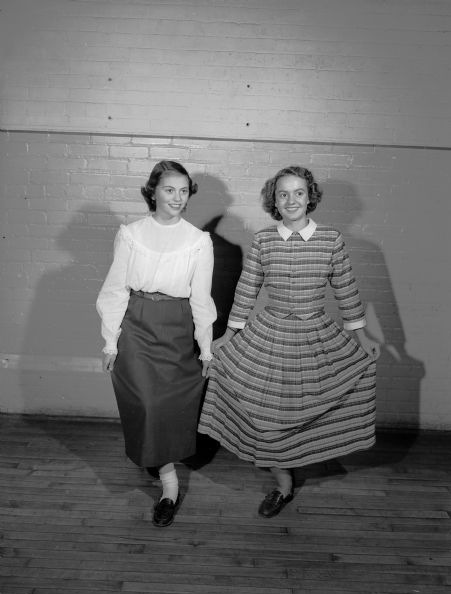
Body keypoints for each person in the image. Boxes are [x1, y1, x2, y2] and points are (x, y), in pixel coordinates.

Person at [198, 165, 380, 518]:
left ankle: (301, 457)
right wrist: (228, 335)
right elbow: (247, 289)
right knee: (268, 412)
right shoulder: (264, 241)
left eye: (299, 192)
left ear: (310, 197)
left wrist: (363, 336)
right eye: (283, 194)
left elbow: (346, 290)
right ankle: (282, 484)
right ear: (274, 201)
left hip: (316, 334)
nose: (291, 199)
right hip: (270, 333)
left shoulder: (331, 240)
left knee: (304, 406)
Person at [96, 160, 216, 527]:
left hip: (176, 327)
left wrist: (206, 347)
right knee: (146, 403)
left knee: (169, 404)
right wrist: (110, 342)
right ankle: (169, 485)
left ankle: (159, 459)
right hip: (137, 323)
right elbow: (116, 287)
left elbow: (201, 298)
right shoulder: (130, 233)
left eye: (183, 190)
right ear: (153, 191)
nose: (177, 198)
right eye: (169, 189)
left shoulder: (198, 241)